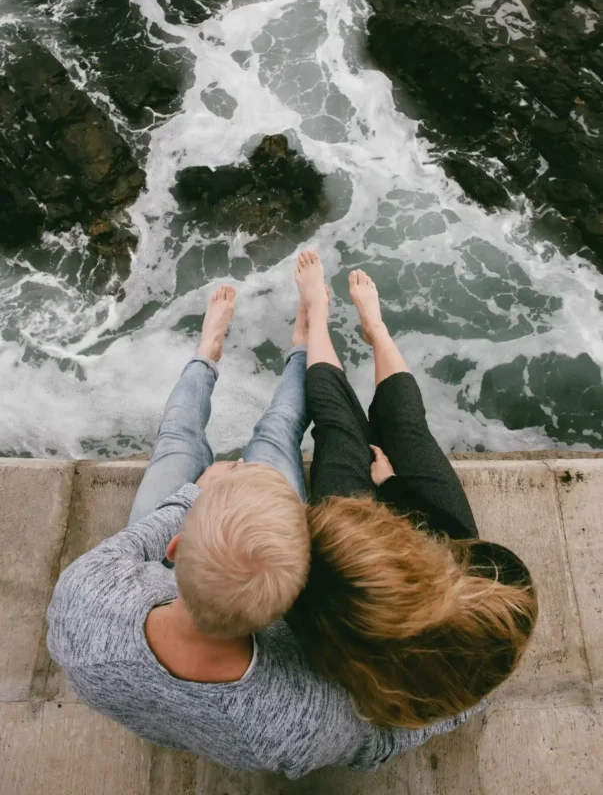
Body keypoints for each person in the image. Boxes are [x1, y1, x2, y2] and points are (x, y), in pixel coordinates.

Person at [46, 278, 477, 779]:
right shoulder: (302, 716)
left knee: (176, 440)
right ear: (293, 604)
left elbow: (127, 547)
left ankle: (209, 352)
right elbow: (378, 741)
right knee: (277, 431)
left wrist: (193, 496)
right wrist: (471, 696)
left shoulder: (84, 601)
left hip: (169, 575)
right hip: (220, 589)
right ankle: (299, 346)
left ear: (178, 544)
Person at [287, 251, 538, 729]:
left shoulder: (345, 631)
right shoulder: (498, 596)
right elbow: (451, 539)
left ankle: (316, 316)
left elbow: (307, 609)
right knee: (407, 428)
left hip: (362, 586)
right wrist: (394, 487)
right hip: (448, 540)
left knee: (339, 430)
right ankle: (375, 329)